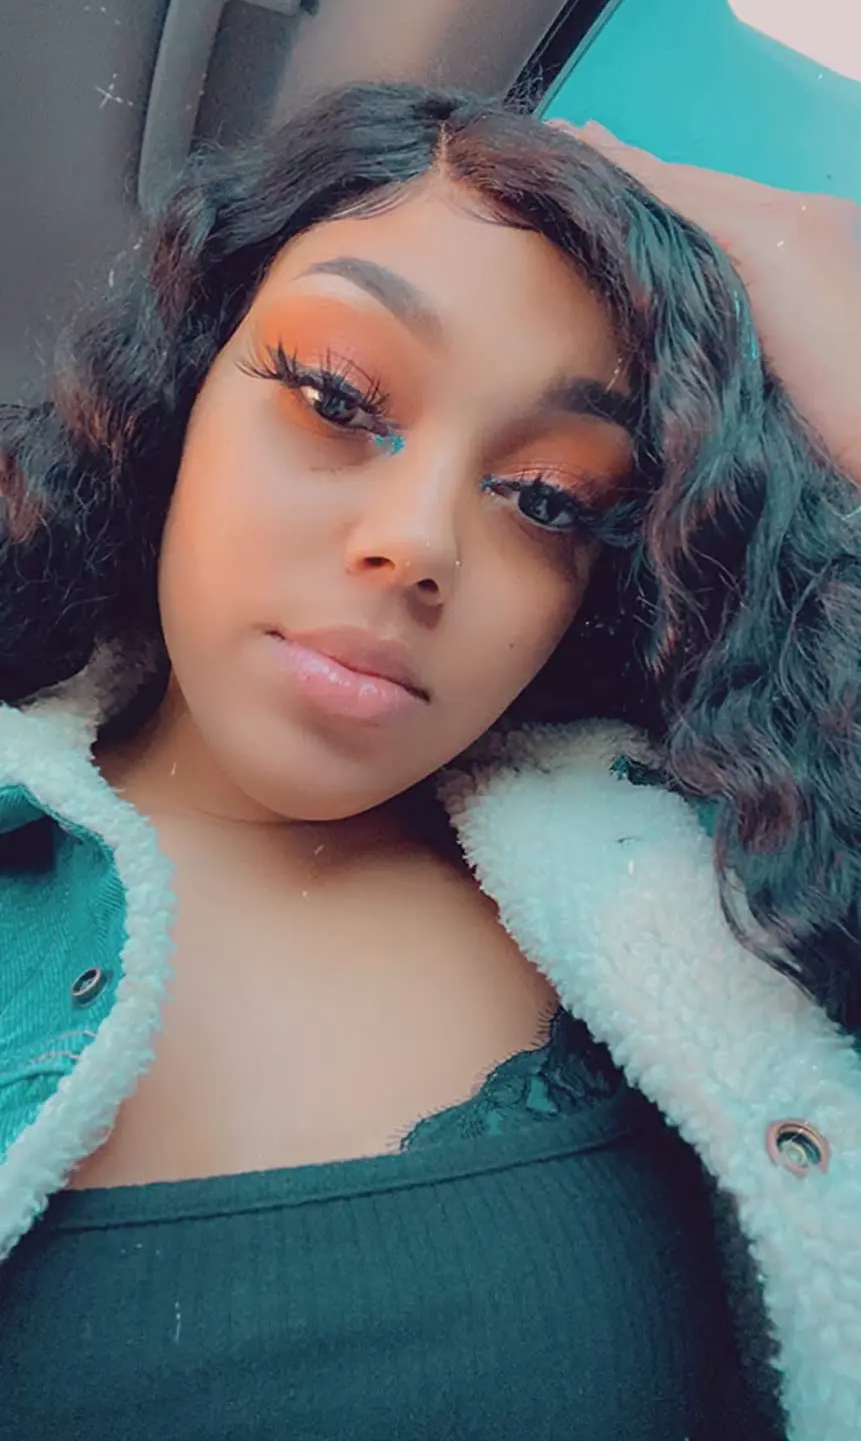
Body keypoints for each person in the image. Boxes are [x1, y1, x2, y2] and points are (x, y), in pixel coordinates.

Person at [0, 81, 858, 1440]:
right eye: (336, 397)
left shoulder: (740, 887)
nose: (418, 542)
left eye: (549, 499)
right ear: (184, 387)